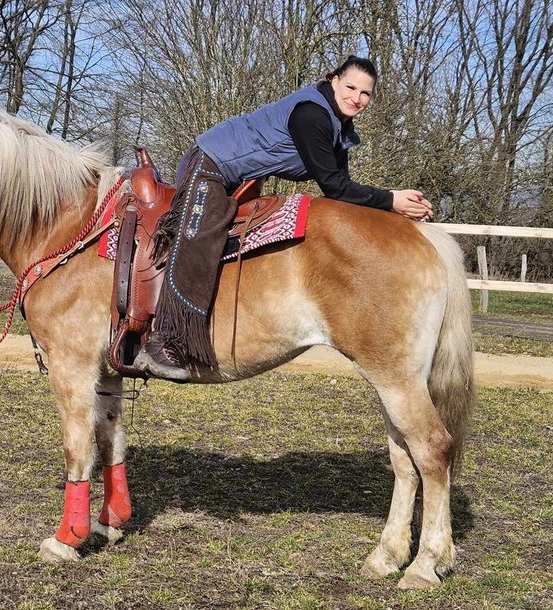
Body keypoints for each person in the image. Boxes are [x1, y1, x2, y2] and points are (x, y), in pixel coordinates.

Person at [135, 55, 435, 381]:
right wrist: (392, 199)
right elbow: (333, 187)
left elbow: (344, 192)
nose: (356, 98)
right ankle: (166, 338)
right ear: (333, 80)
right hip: (210, 163)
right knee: (203, 235)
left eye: (365, 94)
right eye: (350, 87)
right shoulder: (312, 115)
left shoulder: (339, 128)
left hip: (241, 179)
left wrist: (392, 204)